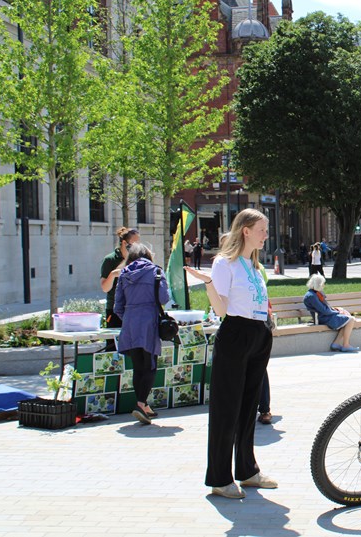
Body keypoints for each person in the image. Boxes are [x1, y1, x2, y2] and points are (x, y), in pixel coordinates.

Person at [185, 208, 277, 499]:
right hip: (236, 334)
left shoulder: (252, 264)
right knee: (227, 408)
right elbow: (222, 309)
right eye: (262, 229)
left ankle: (247, 470)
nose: (266, 234)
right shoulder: (224, 263)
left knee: (249, 405)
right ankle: (220, 478)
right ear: (246, 230)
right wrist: (208, 282)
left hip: (258, 334)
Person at [113, 243, 170, 425]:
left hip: (130, 323)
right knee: (150, 365)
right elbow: (164, 298)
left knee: (138, 367)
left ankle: (144, 406)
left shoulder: (123, 274)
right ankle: (140, 404)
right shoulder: (156, 272)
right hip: (148, 322)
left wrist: (130, 316)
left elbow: (117, 306)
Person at [100, 227, 141, 352]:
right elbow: (105, 288)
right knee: (113, 347)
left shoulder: (138, 260)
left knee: (134, 346)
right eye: (134, 243)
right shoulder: (110, 260)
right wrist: (113, 274)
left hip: (134, 309)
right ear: (124, 243)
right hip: (114, 311)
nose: (137, 246)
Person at [303, 274, 359, 352]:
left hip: (326, 316)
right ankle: (345, 345)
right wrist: (337, 312)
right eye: (323, 284)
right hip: (323, 318)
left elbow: (326, 308)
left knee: (348, 320)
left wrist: (338, 310)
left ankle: (336, 343)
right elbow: (324, 311)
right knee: (350, 320)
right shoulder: (311, 296)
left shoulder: (315, 293)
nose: (324, 285)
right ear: (318, 284)